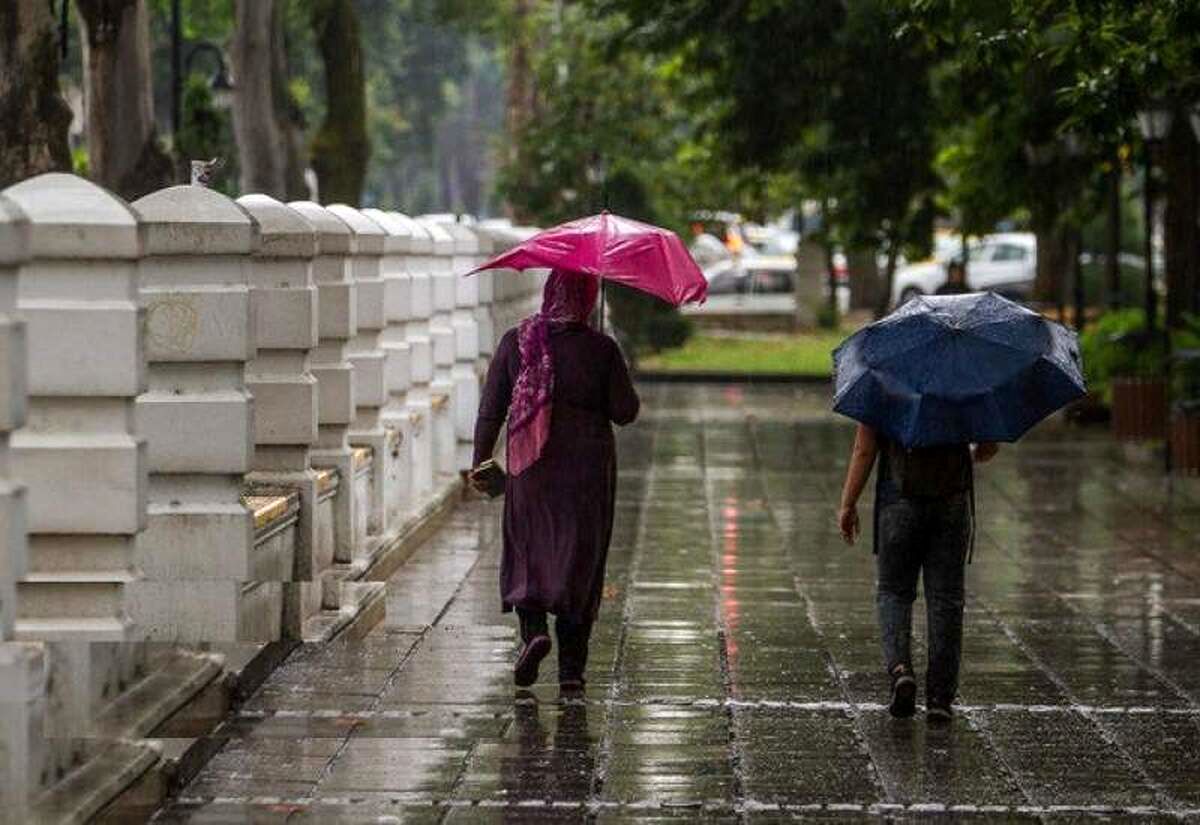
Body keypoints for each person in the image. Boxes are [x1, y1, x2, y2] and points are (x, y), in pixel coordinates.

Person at [471, 269, 640, 692]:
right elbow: (625, 411)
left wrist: (480, 462)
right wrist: (606, 359)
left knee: (529, 552)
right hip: (586, 474)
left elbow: (491, 409)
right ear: (586, 299)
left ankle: (534, 634)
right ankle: (571, 672)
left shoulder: (518, 342)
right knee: (577, 561)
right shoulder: (600, 349)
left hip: (531, 473)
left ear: (549, 292)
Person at [837, 424, 998, 721]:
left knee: (893, 592)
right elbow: (987, 448)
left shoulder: (885, 378)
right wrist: (969, 451)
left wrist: (848, 502)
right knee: (946, 600)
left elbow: (864, 448)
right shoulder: (967, 380)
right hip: (952, 499)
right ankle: (939, 696)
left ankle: (900, 670)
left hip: (898, 497)